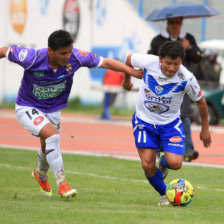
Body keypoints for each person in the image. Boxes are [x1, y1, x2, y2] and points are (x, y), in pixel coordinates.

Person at [0, 30, 143, 198]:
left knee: (47, 146)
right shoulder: (31, 58)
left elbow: (107, 62)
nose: (68, 56)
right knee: (53, 137)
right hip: (27, 106)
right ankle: (62, 184)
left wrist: (131, 72)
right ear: (50, 51)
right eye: (63, 53)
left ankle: (41, 174)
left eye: (69, 51)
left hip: (53, 109)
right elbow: (4, 51)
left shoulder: (76, 57)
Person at [123, 41, 211, 205]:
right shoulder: (148, 62)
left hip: (170, 125)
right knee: (147, 164)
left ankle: (163, 164)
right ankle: (165, 195)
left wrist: (205, 128)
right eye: (168, 63)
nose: (171, 68)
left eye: (176, 64)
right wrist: (127, 79)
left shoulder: (187, 78)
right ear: (160, 59)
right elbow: (128, 59)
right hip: (144, 121)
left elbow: (201, 101)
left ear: (181, 62)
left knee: (175, 163)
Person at [147, 16, 202, 162]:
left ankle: (187, 150)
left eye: (177, 22)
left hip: (182, 86)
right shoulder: (158, 40)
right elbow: (149, 59)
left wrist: (188, 47)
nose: (175, 25)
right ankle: (160, 149)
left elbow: (199, 57)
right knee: (159, 114)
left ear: (181, 23)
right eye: (172, 22)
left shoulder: (188, 38)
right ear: (167, 23)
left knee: (183, 115)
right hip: (160, 85)